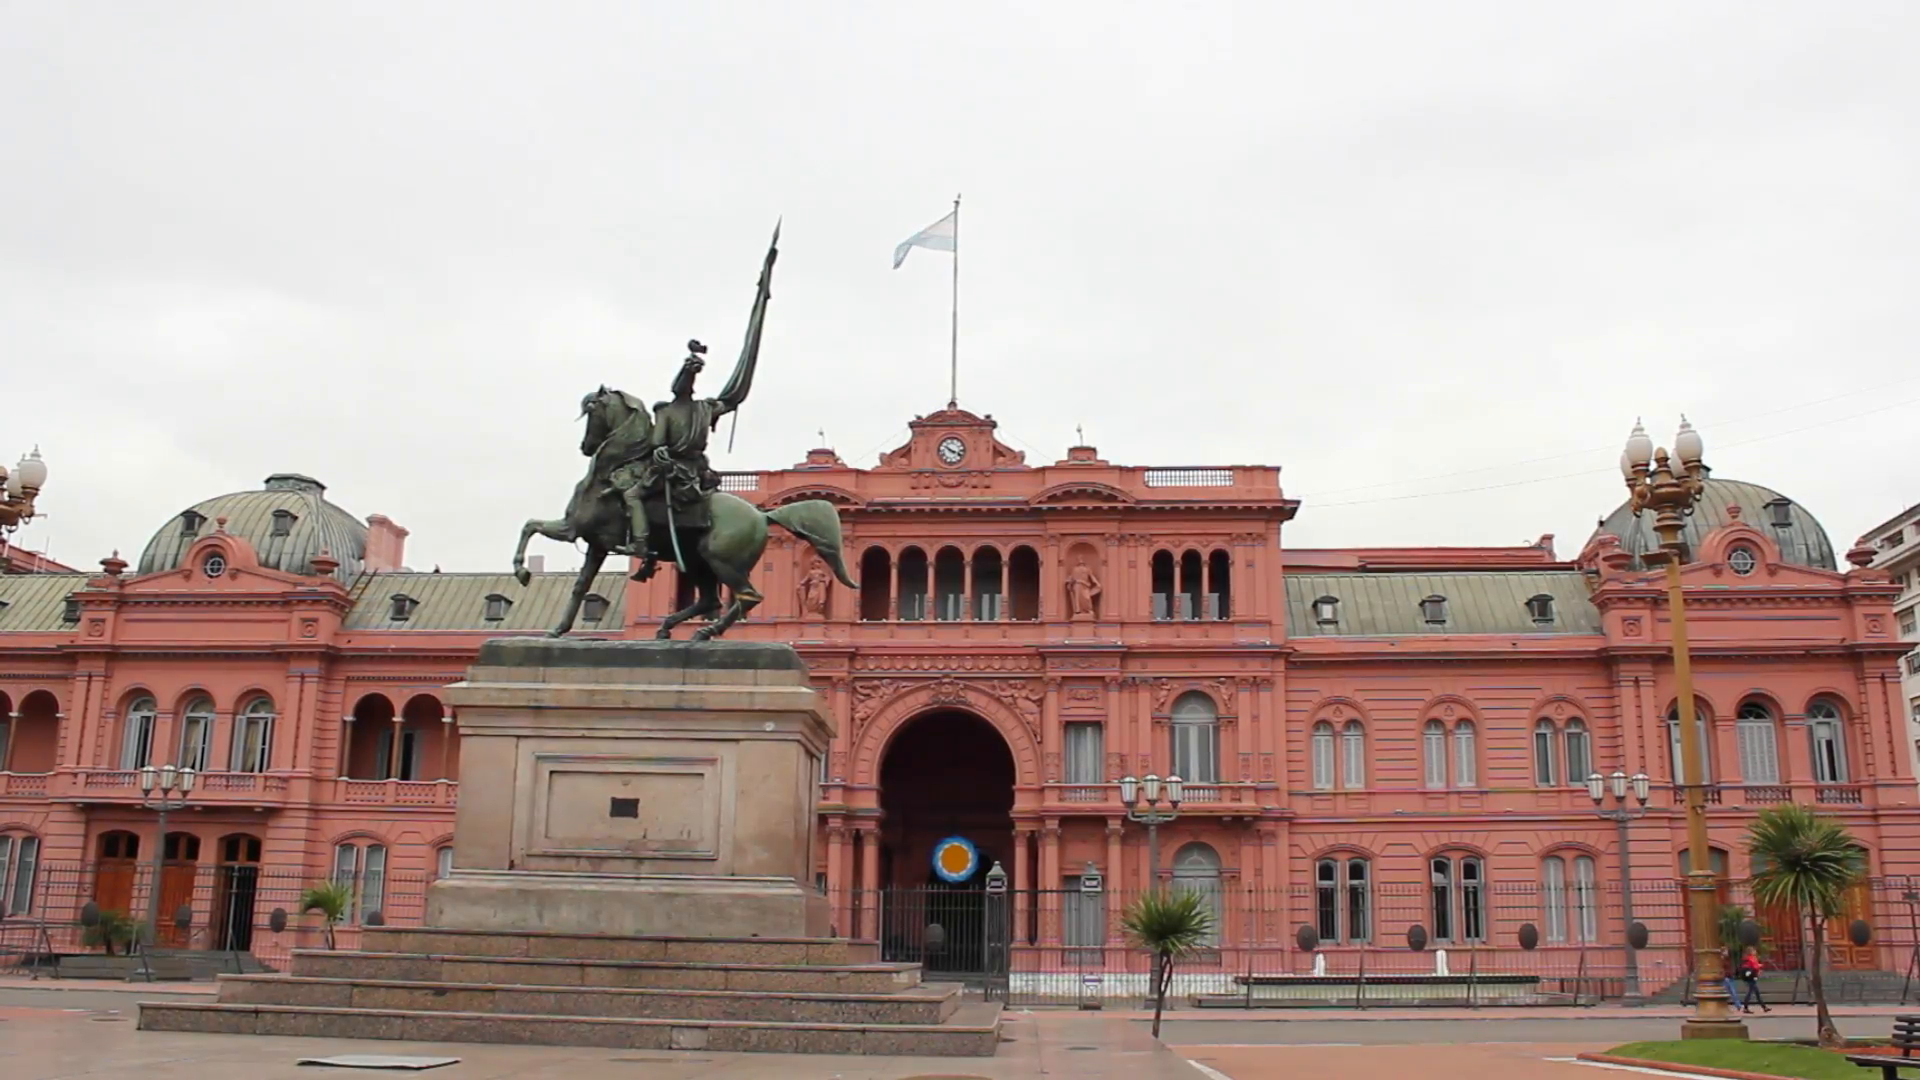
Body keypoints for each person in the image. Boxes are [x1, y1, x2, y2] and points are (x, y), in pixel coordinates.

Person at [1737, 947, 1770, 1013]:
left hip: (1748, 977)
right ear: (1751, 952)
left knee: (1756, 993)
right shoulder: (1752, 958)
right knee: (1750, 993)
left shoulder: (1746, 958)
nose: (1755, 951)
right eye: (1754, 950)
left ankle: (1764, 1007)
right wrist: (1761, 966)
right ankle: (1746, 1008)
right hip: (1752, 978)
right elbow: (1755, 967)